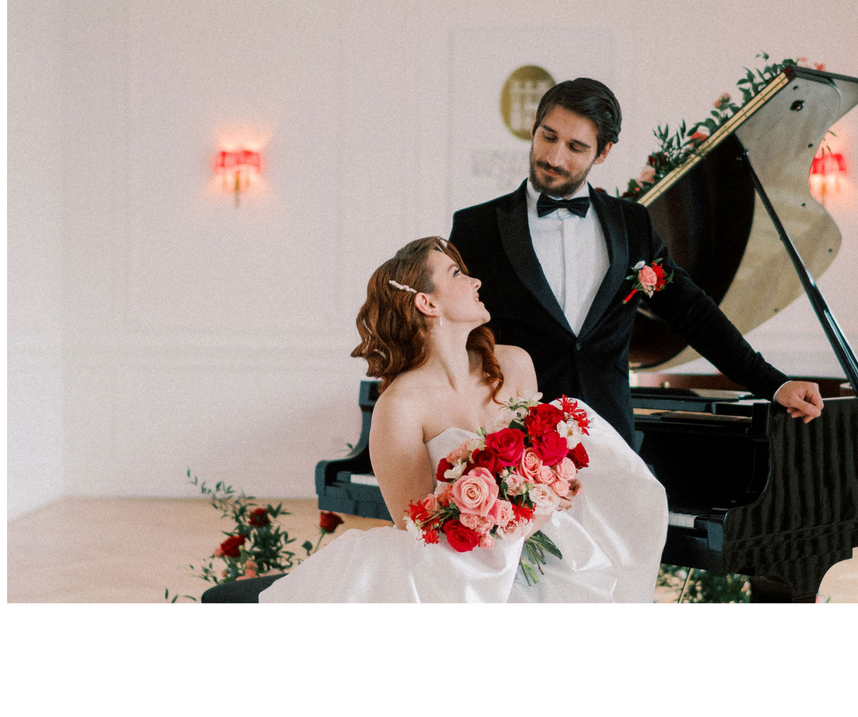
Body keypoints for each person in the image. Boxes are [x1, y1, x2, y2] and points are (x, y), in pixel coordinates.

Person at [259, 235, 669, 603]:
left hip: (543, 554)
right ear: (428, 302)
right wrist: (500, 522)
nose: (475, 283)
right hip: (454, 577)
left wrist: (553, 488)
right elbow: (420, 528)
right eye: (457, 274)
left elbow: (544, 473)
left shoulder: (514, 364)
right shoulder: (399, 405)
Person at [448, 77, 823, 447]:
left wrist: (775, 383)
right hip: (514, 445)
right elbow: (447, 332)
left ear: (604, 151)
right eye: (548, 137)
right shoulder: (476, 227)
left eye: (576, 147)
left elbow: (693, 313)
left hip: (612, 441)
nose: (554, 157)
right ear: (534, 129)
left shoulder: (632, 224)